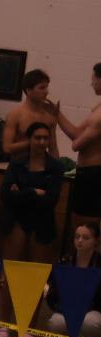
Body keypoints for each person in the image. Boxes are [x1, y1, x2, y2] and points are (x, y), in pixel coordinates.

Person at [0, 123, 65, 337]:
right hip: (17, 221)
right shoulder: (17, 163)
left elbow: (51, 200)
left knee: (35, 277)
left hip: (42, 224)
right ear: (29, 139)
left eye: (46, 138)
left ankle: (28, 327)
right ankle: (4, 325)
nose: (42, 142)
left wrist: (21, 192)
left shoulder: (55, 167)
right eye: (38, 138)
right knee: (10, 274)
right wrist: (35, 192)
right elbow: (5, 194)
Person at [46, 222, 101, 337]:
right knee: (56, 322)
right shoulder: (65, 261)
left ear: (96, 241)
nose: (80, 241)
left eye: (86, 238)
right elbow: (53, 289)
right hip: (67, 308)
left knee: (90, 323)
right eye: (77, 237)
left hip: (93, 309)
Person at [4, 69, 66, 162]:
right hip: (19, 167)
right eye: (41, 88)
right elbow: (7, 147)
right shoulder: (15, 115)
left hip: (40, 167)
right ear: (29, 90)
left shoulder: (49, 117)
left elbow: (53, 148)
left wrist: (56, 171)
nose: (46, 92)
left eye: (46, 87)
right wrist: (32, 143)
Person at [69, 64, 101, 232]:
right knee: (81, 223)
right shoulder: (97, 108)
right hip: (88, 173)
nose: (91, 84)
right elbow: (76, 133)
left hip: (93, 173)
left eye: (93, 79)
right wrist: (56, 114)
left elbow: (76, 144)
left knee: (86, 227)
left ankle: (87, 258)